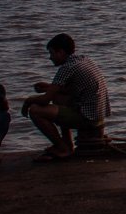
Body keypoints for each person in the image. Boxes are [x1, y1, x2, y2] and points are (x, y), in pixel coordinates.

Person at [22, 33, 111, 161]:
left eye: (52, 53)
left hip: (88, 117)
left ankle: (63, 148)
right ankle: (67, 144)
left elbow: (45, 100)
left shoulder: (66, 68)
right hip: (97, 113)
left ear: (61, 52)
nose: (50, 58)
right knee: (57, 97)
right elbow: (71, 89)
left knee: (35, 110)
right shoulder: (83, 59)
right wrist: (49, 87)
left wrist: (27, 101)